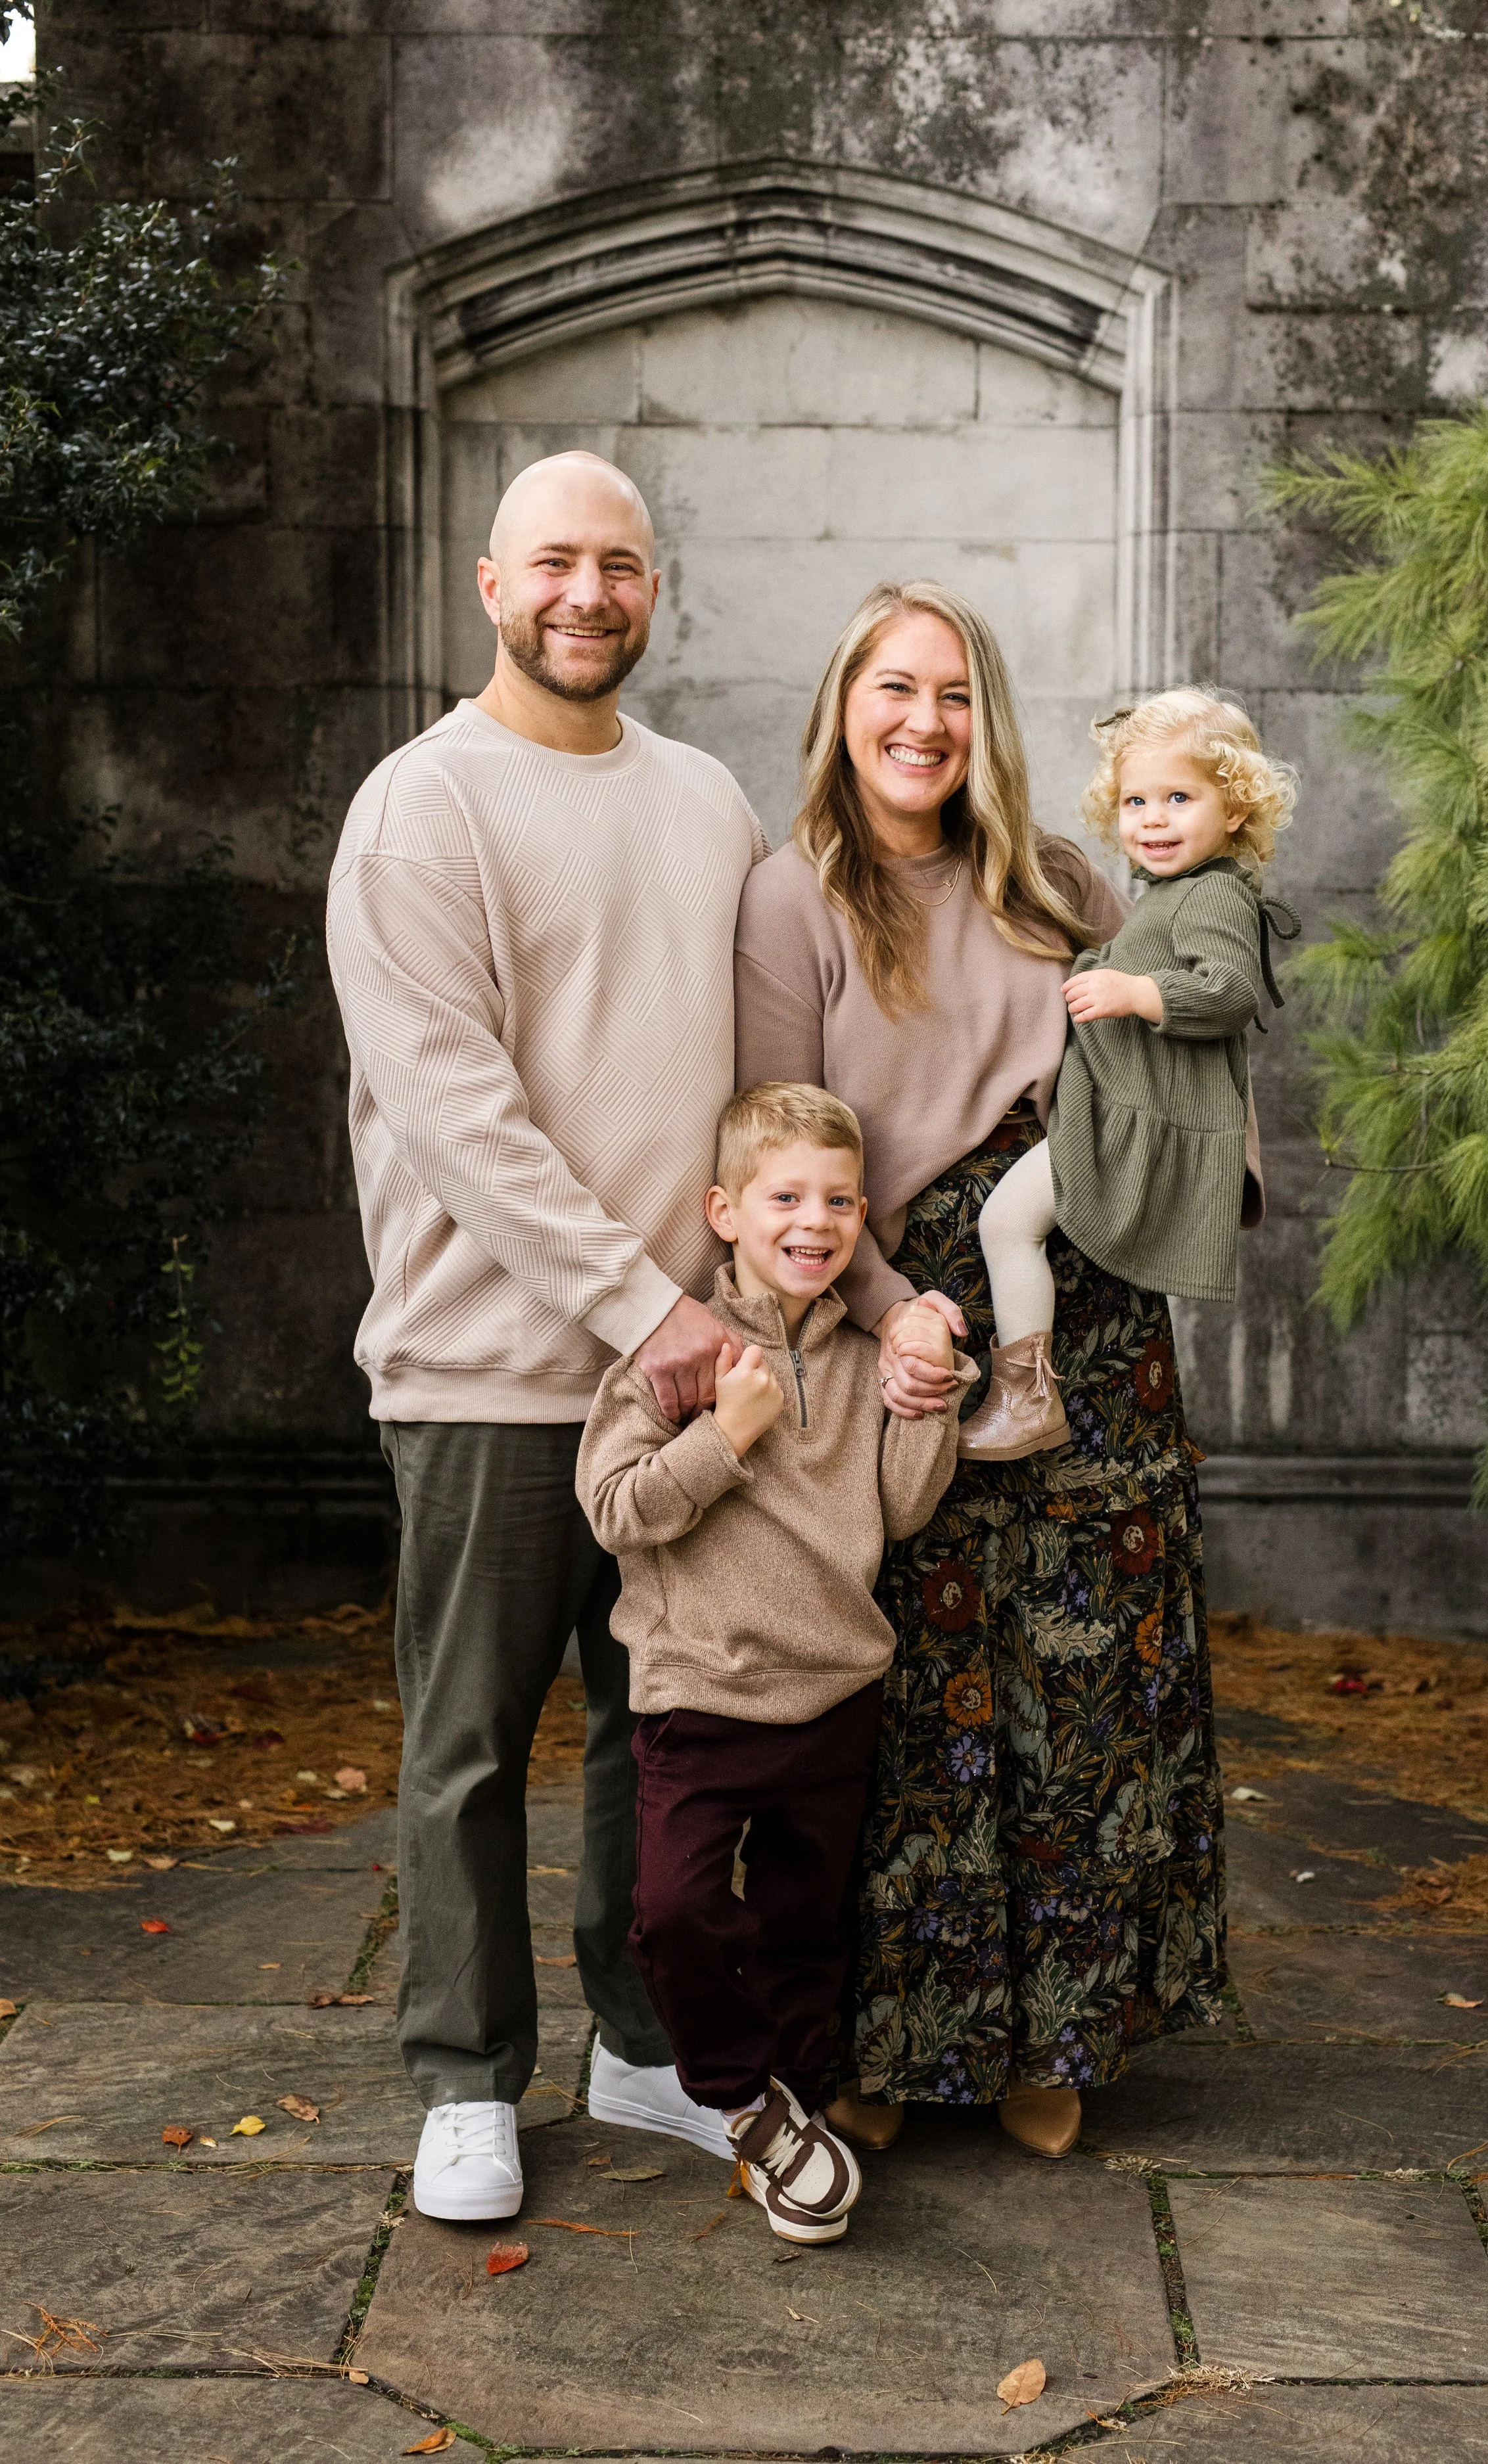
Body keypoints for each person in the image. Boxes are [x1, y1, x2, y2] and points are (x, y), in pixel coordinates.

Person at [735, 580, 1238, 2160]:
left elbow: (1183, 1052)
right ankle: (901, 2034)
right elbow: (781, 1135)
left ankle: (1060, 2031)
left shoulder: (1068, 879)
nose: (925, 722)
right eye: (896, 687)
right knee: (916, 1683)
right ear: (846, 704)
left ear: (985, 719)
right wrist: (885, 1307)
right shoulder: (788, 897)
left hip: (1087, 1312)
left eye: (955, 694)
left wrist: (1206, 1176)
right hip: (920, 1321)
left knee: (1086, 1678)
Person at [327, 451, 768, 2223]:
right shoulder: (420, 807)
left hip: (682, 1380)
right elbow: (457, 1112)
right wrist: (647, 1305)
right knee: (469, 1741)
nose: (591, 594)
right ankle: (463, 2075)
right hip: (493, 1370)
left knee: (657, 1732)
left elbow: (762, 1060)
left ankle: (643, 2046)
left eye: (625, 566)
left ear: (653, 593)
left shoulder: (707, 799)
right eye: (558, 564)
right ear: (492, 586)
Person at [574, 1083, 971, 2242]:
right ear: (726, 1212)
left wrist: (928, 1401)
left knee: (807, 1924)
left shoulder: (863, 1354)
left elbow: (899, 1511)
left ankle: (796, 2112)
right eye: (787, 1196)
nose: (817, 1220)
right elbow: (614, 1511)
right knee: (677, 1911)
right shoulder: (676, 1353)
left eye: (841, 1200)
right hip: (701, 1694)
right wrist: (724, 1438)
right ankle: (741, 2100)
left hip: (835, 1695)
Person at [962, 688, 1296, 1461]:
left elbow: (1230, 990)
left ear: (1236, 810)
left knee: (1005, 1223)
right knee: (1011, 1224)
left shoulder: (1213, 895)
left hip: (1132, 1122)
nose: (1151, 818)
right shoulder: (1173, 893)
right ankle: (1029, 1390)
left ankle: (1026, 1398)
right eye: (1135, 799)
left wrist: (1138, 992)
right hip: (1117, 1107)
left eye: (1179, 798)